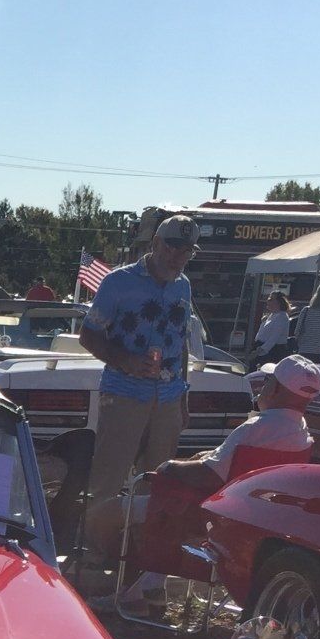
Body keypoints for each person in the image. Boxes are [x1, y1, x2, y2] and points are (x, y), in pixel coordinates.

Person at [96, 355, 320, 605]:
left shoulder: (255, 428)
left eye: (268, 381)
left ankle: (128, 586)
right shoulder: (301, 434)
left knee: (104, 514)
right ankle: (149, 586)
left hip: (202, 513)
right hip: (250, 517)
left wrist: (169, 466)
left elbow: (209, 475)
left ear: (277, 388)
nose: (262, 386)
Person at [78, 211, 199, 503]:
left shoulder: (183, 285)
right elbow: (88, 334)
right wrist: (126, 360)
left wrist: (183, 400)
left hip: (169, 397)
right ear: (155, 243)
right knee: (108, 479)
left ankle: (138, 543)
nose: (178, 256)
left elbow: (180, 343)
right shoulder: (118, 282)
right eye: (172, 247)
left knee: (157, 482)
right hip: (124, 394)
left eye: (187, 251)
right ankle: (97, 544)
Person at [253, 292, 293, 365]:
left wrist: (261, 350)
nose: (268, 301)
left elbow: (274, 337)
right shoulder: (272, 315)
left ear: (279, 302)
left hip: (274, 351)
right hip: (262, 348)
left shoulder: (282, 316)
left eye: (271, 299)